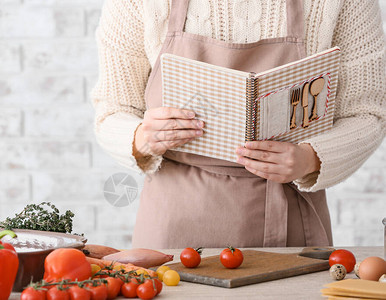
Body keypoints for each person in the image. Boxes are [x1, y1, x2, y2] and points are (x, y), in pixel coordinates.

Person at [91, 0, 385, 248]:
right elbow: (112, 108)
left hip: (289, 221)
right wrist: (141, 137)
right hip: (173, 224)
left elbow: (369, 112)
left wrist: (310, 159)